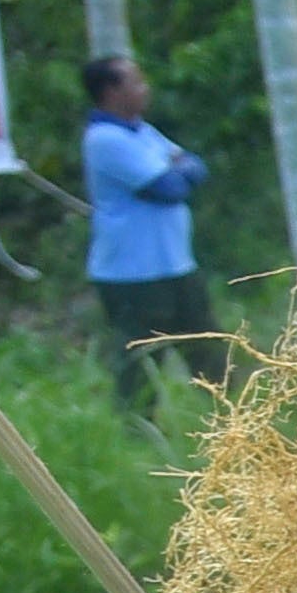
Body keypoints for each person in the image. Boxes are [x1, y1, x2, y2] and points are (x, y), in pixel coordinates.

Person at [78, 55, 216, 415]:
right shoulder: (105, 139)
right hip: (131, 273)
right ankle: (139, 433)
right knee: (137, 362)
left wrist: (178, 172)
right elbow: (168, 186)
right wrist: (175, 172)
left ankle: (234, 426)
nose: (145, 89)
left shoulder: (141, 131)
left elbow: (195, 167)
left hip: (175, 263)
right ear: (111, 91)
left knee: (209, 351)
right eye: (135, 82)